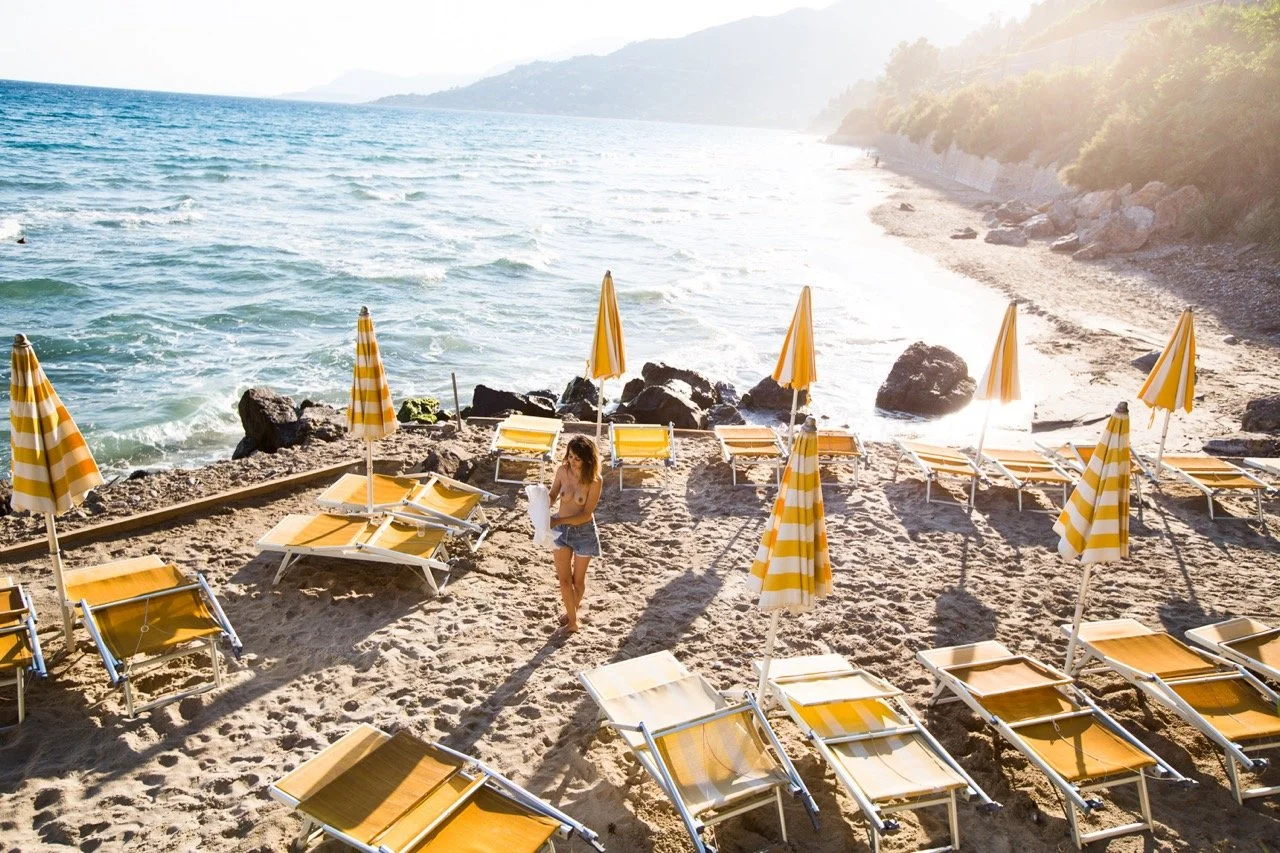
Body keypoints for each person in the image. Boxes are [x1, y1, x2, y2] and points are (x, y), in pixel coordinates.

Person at [548, 435, 603, 633]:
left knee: (577, 582)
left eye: (577, 458)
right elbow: (553, 494)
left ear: (588, 459)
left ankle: (571, 612)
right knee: (564, 581)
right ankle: (572, 622)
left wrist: (558, 520)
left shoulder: (595, 481)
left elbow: (586, 514)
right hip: (560, 533)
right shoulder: (562, 471)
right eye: (570, 456)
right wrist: (543, 503)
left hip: (584, 533)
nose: (572, 461)